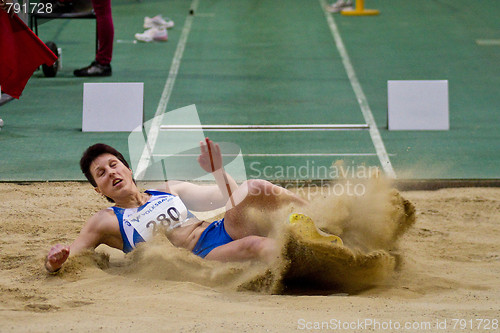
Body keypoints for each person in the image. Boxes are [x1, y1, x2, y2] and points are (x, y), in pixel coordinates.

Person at [45, 138, 308, 273]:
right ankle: (316, 266)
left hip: (220, 230)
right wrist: (54, 262)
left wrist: (217, 170)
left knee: (254, 187)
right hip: (199, 255)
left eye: (114, 165)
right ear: (97, 189)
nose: (111, 173)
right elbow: (74, 254)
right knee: (257, 245)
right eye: (101, 173)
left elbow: (226, 197)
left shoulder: (168, 189)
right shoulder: (107, 219)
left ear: (127, 168)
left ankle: (319, 219)